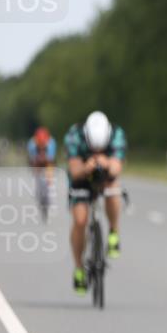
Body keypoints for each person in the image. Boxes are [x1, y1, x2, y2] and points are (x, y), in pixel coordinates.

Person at [65, 111, 127, 294]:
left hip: (106, 177)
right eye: (93, 149)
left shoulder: (116, 134)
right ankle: (78, 269)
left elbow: (117, 167)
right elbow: (74, 170)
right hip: (80, 179)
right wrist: (86, 167)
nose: (97, 152)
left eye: (101, 149)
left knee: (113, 189)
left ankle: (114, 232)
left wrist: (106, 163)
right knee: (80, 220)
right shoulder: (74, 135)